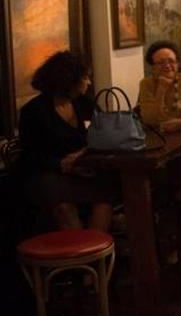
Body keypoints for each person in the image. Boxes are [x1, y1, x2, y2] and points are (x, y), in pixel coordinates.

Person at [17, 51, 114, 231]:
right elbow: (30, 155)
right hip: (47, 173)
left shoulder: (85, 103)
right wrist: (62, 164)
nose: (89, 82)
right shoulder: (33, 111)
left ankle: (93, 255)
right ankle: (80, 256)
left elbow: (104, 136)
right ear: (68, 80)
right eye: (85, 78)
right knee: (64, 207)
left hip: (83, 170)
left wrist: (82, 155)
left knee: (104, 200)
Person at [137, 41, 181, 132]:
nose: (167, 66)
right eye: (160, 63)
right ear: (153, 67)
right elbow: (149, 119)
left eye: (171, 61)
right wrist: (161, 90)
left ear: (177, 64)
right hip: (157, 134)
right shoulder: (146, 84)